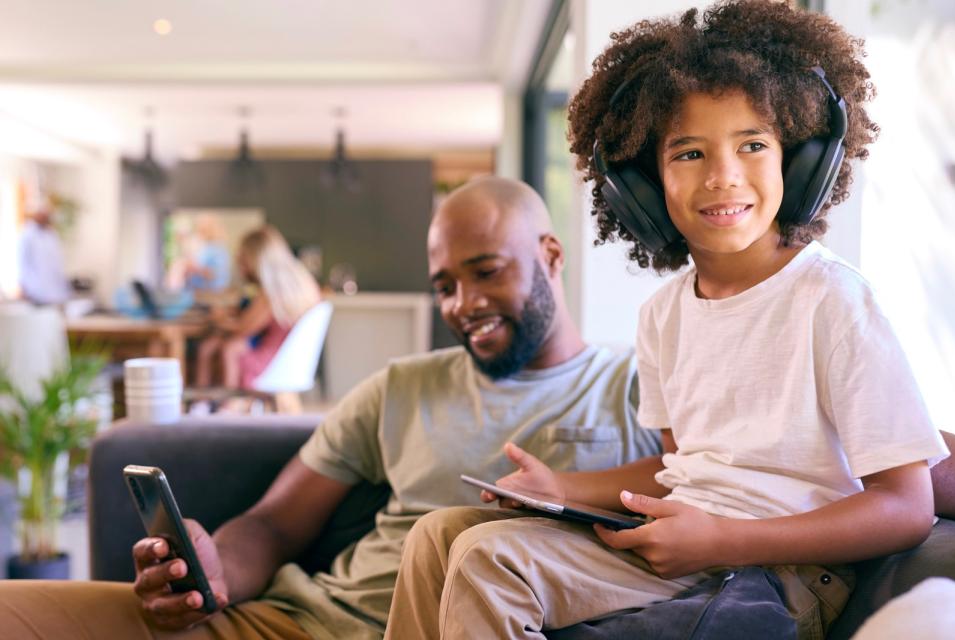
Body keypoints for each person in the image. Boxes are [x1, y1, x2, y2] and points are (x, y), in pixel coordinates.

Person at [382, 3, 952, 639]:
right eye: (688, 153)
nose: (723, 176)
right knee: (436, 536)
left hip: (779, 569)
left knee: (491, 564)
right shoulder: (663, 315)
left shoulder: (835, 302)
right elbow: (681, 466)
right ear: (641, 185)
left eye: (753, 145)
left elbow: (906, 509)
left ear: (799, 162)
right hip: (688, 539)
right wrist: (562, 486)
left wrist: (724, 541)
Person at [0, 176, 661, 639]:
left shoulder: (636, 383)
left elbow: (702, 505)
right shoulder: (402, 385)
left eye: (487, 272)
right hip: (293, 621)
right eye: (445, 286)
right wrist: (206, 570)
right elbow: (274, 525)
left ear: (550, 256)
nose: (463, 304)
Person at [194, 225, 321, 390]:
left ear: (257, 259)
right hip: (290, 359)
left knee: (227, 348)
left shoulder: (271, 294)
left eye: (243, 261)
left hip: (271, 363)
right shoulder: (300, 282)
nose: (241, 268)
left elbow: (242, 328)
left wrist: (217, 319)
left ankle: (227, 406)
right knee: (216, 346)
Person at [17, 206, 71, 305]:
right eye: (42, 214)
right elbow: (22, 263)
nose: (45, 217)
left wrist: (64, 287)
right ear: (36, 215)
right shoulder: (27, 234)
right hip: (35, 290)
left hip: (55, 291)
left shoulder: (51, 234)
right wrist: (23, 287)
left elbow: (58, 262)